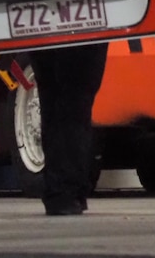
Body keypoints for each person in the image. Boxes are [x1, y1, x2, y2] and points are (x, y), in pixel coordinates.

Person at [28, 43, 109, 216]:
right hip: (84, 32)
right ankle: (66, 188)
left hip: (41, 30)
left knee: (52, 97)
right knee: (75, 102)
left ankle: (63, 189)